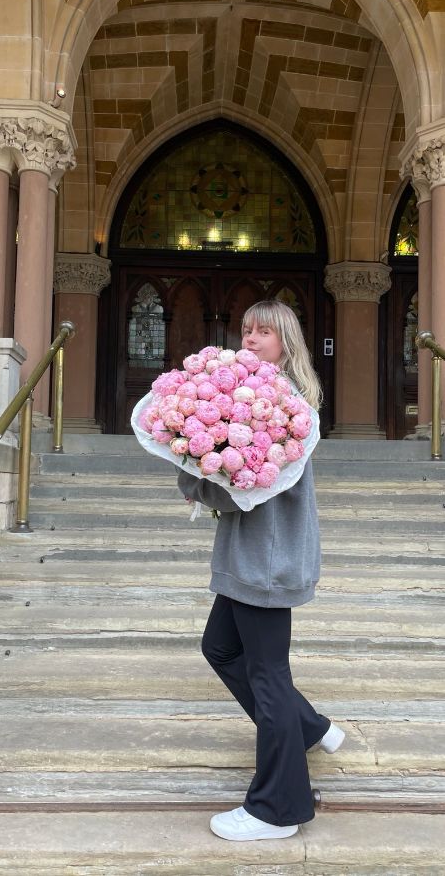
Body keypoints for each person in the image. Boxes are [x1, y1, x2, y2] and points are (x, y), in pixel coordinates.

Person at [177, 299, 345, 842]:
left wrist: (198, 474)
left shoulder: (281, 404)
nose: (250, 339)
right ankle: (309, 728)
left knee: (269, 676)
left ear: (287, 342)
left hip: (267, 559)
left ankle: (277, 808)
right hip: (251, 555)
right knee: (222, 648)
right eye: (246, 330)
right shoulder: (251, 395)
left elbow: (248, 491)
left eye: (264, 332)